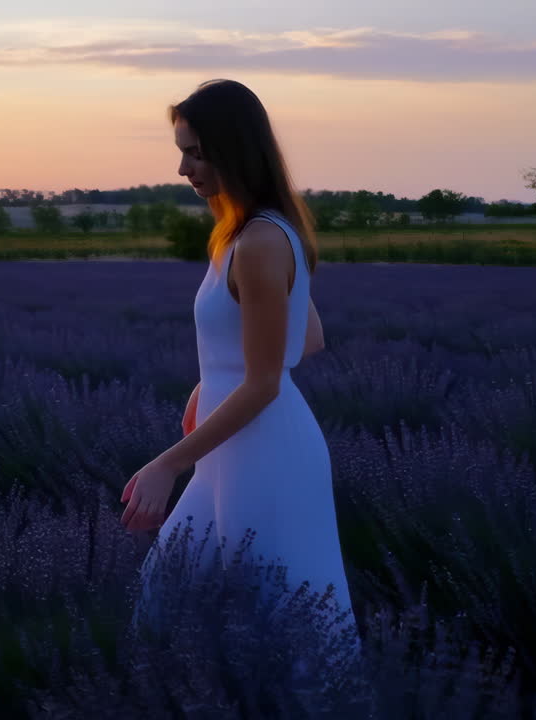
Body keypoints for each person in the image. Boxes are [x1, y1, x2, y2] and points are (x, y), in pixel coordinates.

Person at [119, 78, 361, 680]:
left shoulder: (258, 242)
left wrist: (167, 463)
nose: (182, 168)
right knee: (165, 594)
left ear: (235, 149)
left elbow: (263, 383)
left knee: (289, 623)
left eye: (196, 152)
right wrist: (212, 383)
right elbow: (307, 339)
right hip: (233, 446)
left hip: (265, 451)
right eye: (182, 151)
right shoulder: (247, 234)